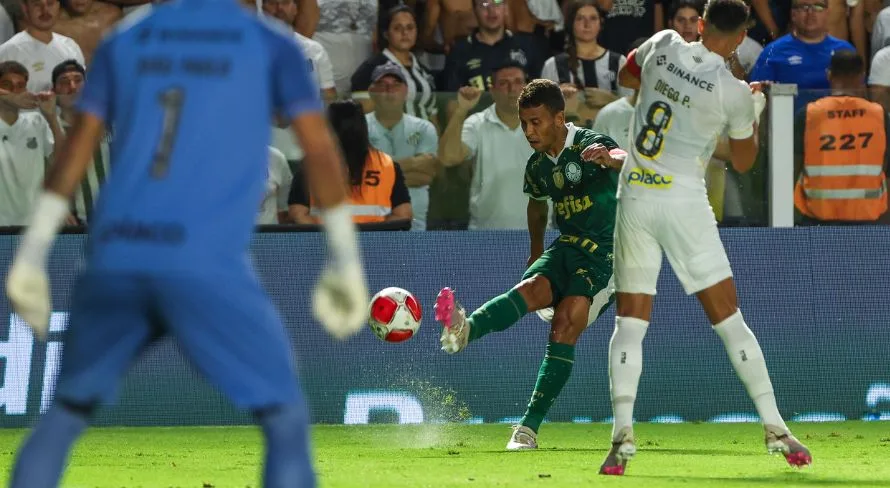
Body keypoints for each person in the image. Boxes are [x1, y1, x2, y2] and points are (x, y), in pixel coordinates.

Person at [3, 1, 370, 487]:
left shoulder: (125, 39)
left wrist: (31, 253)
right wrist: (345, 259)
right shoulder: (271, 44)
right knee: (283, 416)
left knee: (65, 413)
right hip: (202, 259)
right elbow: (319, 148)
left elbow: (77, 145)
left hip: (114, 253)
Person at [600, 0, 812, 475]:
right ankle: (775, 427)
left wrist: (674, 94)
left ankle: (621, 436)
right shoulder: (733, 92)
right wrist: (753, 109)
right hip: (684, 204)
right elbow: (743, 161)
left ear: (699, 24)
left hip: (635, 195)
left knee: (630, 322)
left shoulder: (662, 42)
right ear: (739, 39)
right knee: (729, 319)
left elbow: (628, 78)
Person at [434, 78, 625, 450]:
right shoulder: (537, 166)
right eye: (524, 123)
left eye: (536, 122)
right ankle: (464, 330)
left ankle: (527, 429)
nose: (529, 130)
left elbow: (625, 159)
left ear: (559, 118)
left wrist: (610, 158)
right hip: (567, 246)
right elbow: (537, 206)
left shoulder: (588, 143)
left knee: (565, 323)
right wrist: (536, 251)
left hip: (607, 254)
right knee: (529, 289)